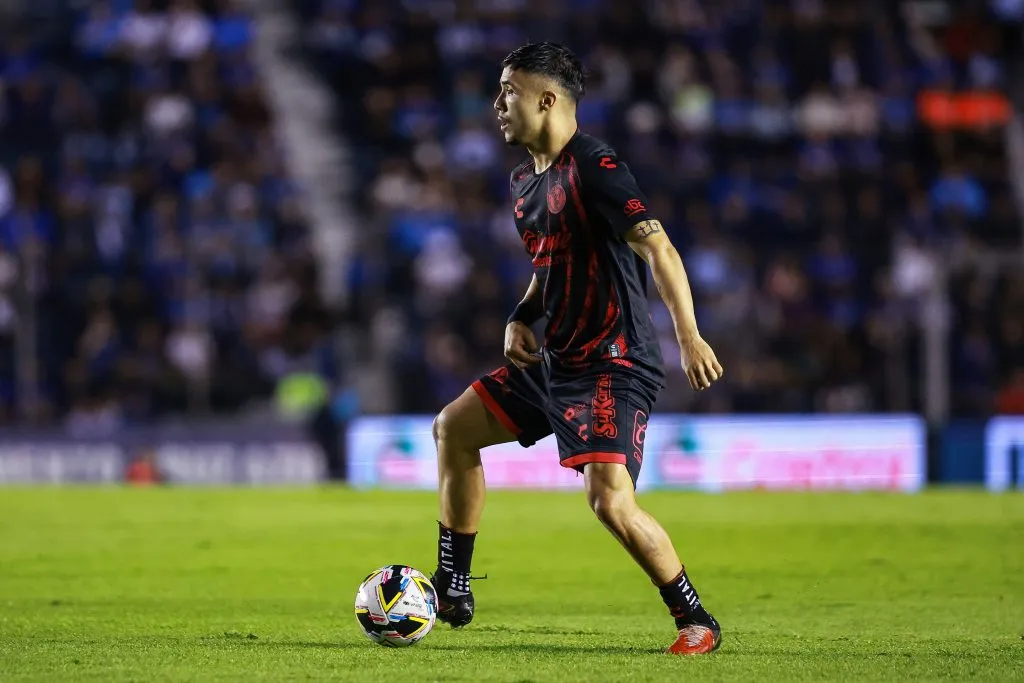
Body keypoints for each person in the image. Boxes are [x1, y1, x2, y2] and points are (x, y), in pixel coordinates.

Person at [430, 42, 725, 656]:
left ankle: (696, 620)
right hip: (556, 360)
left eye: (508, 90)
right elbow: (550, 267)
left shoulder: (595, 165)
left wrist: (689, 334)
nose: (497, 103)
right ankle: (453, 585)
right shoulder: (523, 183)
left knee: (608, 499)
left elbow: (658, 248)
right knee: (453, 428)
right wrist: (522, 317)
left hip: (612, 363)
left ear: (546, 99)